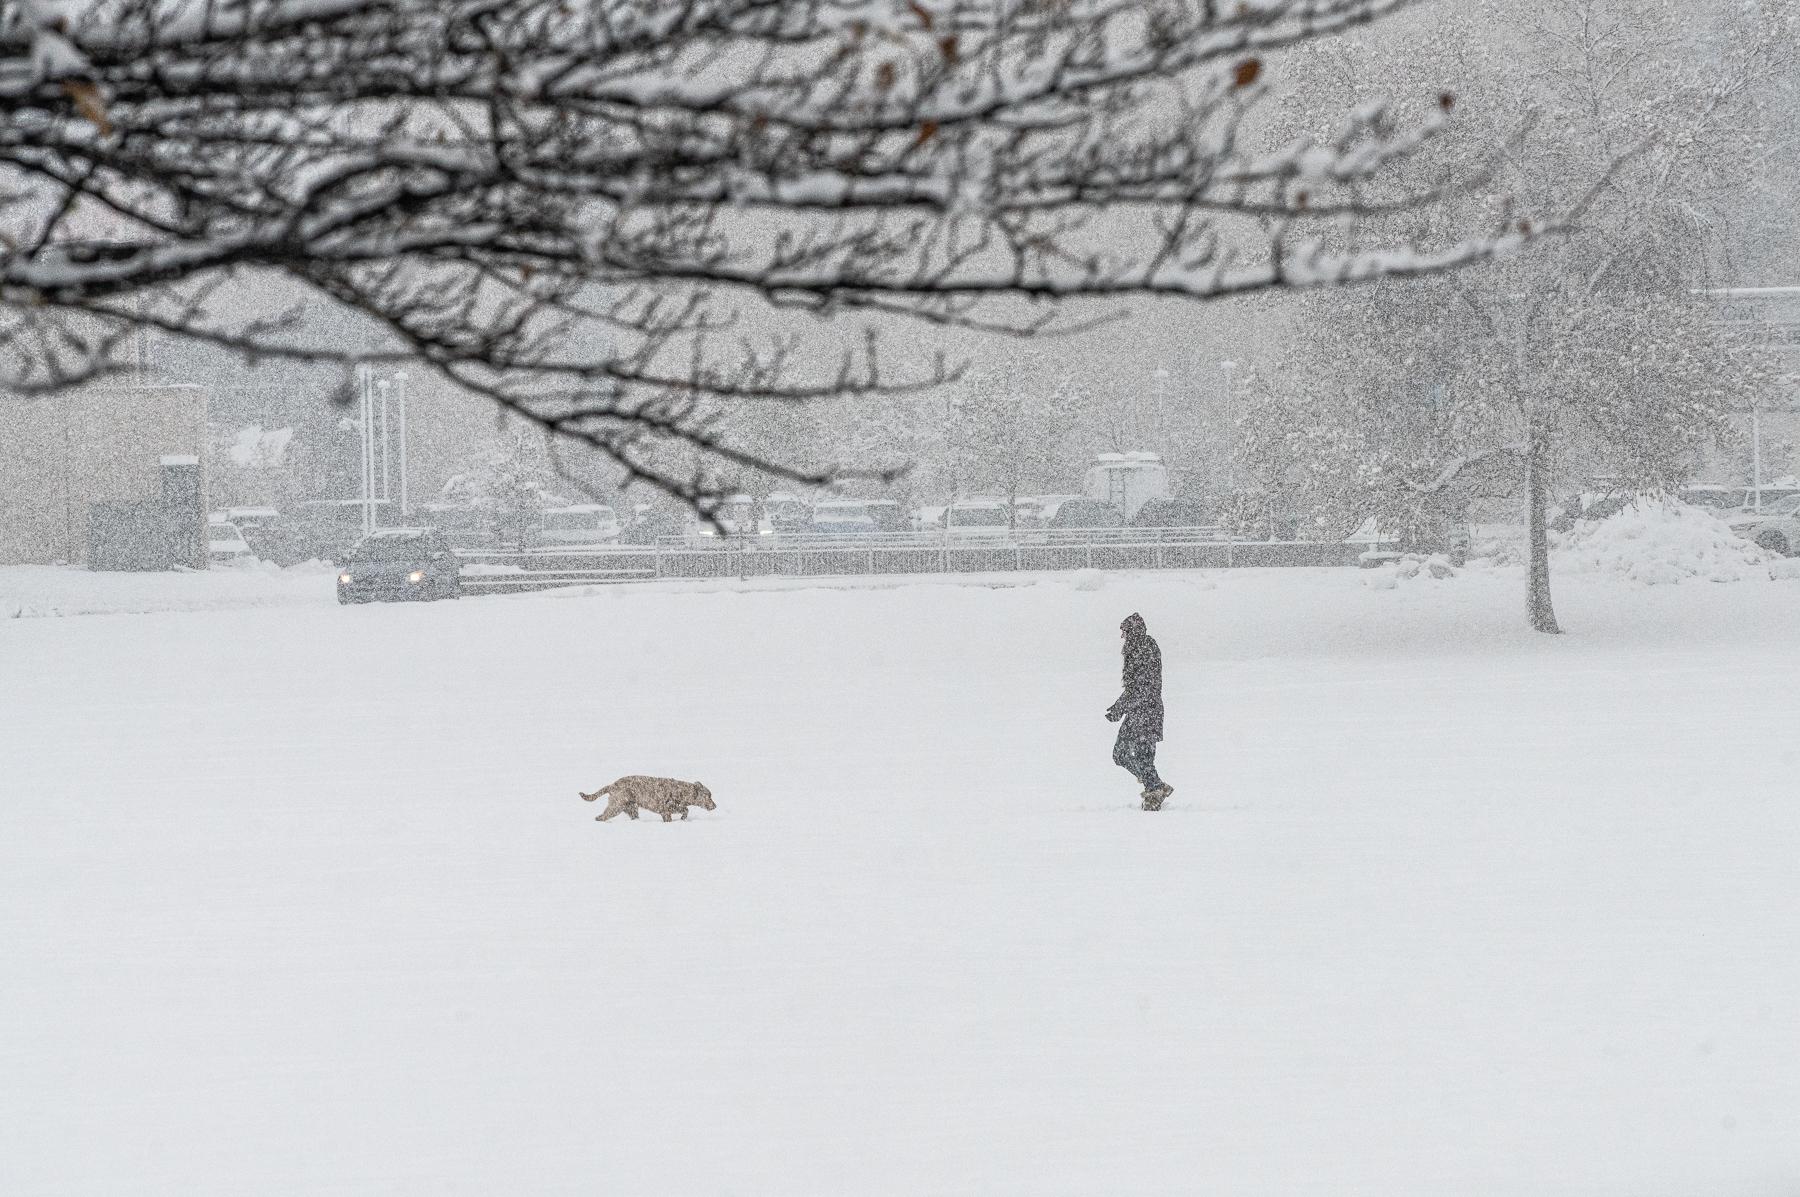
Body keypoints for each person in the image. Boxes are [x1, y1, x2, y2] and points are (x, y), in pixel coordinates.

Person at [1107, 612, 1173, 811]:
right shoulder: (1138, 648)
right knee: (1121, 754)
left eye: (1125, 632)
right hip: (1139, 711)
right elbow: (1135, 688)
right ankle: (1155, 786)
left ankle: (1154, 792)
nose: (1123, 637)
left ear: (1134, 632)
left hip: (1147, 712)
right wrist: (1120, 706)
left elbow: (1142, 687)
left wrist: (1120, 707)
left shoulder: (1144, 649)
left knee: (1141, 758)